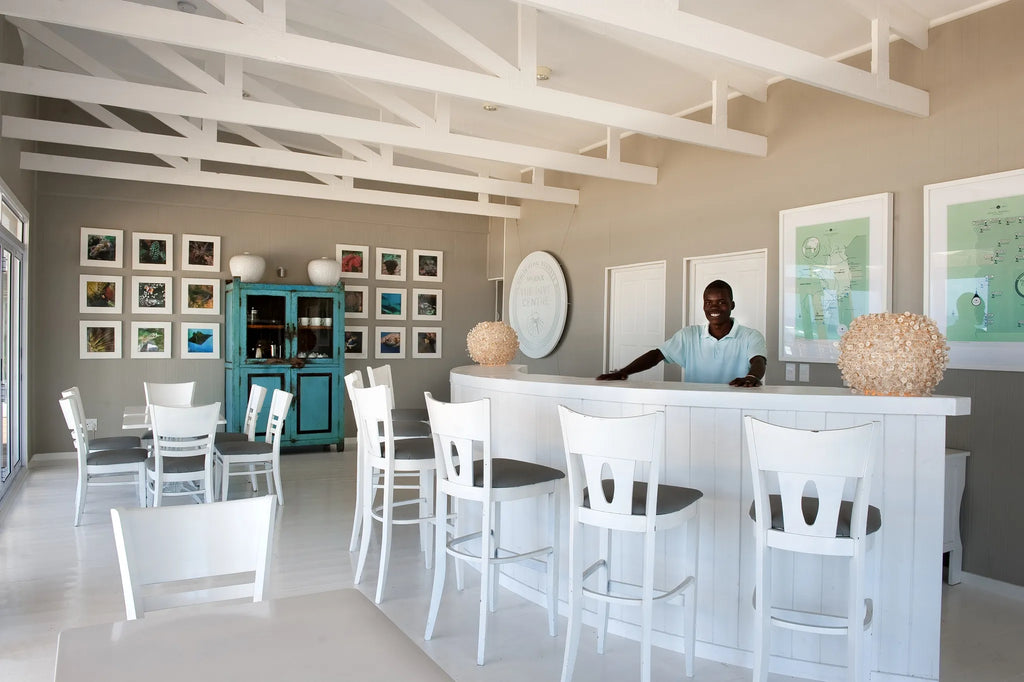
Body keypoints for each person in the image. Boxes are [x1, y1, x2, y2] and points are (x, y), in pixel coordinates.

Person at [596, 279, 767, 387]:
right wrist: (624, 372)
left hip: (736, 404)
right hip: (694, 403)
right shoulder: (688, 335)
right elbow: (657, 355)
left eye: (721, 302)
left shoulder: (751, 336)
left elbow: (758, 360)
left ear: (732, 305)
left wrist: (752, 376)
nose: (713, 307)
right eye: (708, 302)